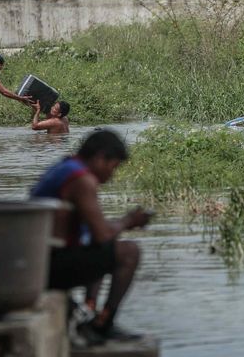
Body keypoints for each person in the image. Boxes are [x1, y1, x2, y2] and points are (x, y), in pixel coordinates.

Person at [30, 130, 152, 346]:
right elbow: (102, 234)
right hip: (49, 266)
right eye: (113, 167)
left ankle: (90, 309)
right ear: (100, 158)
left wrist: (118, 226)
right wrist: (128, 221)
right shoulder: (82, 180)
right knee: (129, 252)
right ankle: (103, 323)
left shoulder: (65, 167)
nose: (111, 175)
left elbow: (97, 237)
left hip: (38, 260)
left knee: (102, 247)